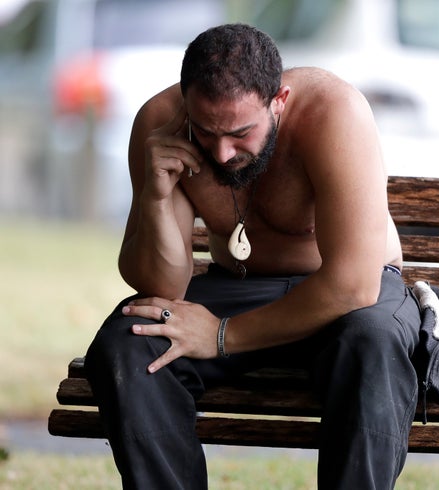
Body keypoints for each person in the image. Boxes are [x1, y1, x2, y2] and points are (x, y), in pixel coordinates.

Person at [84, 23, 421, 489]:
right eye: (205, 132)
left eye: (241, 133)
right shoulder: (160, 123)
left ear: (278, 100)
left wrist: (222, 335)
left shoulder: (333, 111)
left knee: (373, 340)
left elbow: (353, 284)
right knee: (129, 341)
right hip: (240, 286)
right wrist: (158, 199)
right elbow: (161, 289)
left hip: (345, 297)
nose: (222, 154)